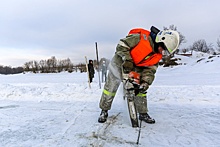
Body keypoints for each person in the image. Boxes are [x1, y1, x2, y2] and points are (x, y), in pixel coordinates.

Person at [98, 26, 180, 124]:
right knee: (110, 89)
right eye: (163, 48)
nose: (162, 52)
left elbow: (150, 70)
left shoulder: (157, 56)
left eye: (165, 51)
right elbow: (121, 45)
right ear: (160, 40)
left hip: (135, 68)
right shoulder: (140, 38)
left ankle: (142, 113)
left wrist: (145, 82)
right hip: (119, 64)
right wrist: (127, 59)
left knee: (140, 89)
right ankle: (104, 110)